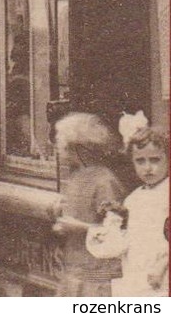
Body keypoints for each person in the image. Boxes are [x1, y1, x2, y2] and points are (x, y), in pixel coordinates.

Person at [49, 112, 124, 295]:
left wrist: (77, 227)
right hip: (75, 270)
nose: (59, 149)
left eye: (63, 145)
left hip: (96, 275)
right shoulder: (76, 177)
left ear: (78, 147)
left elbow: (115, 231)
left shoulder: (104, 181)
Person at [109, 125, 168, 295]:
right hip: (136, 274)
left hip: (161, 275)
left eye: (155, 160)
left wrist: (162, 265)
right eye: (140, 161)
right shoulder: (133, 199)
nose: (147, 168)